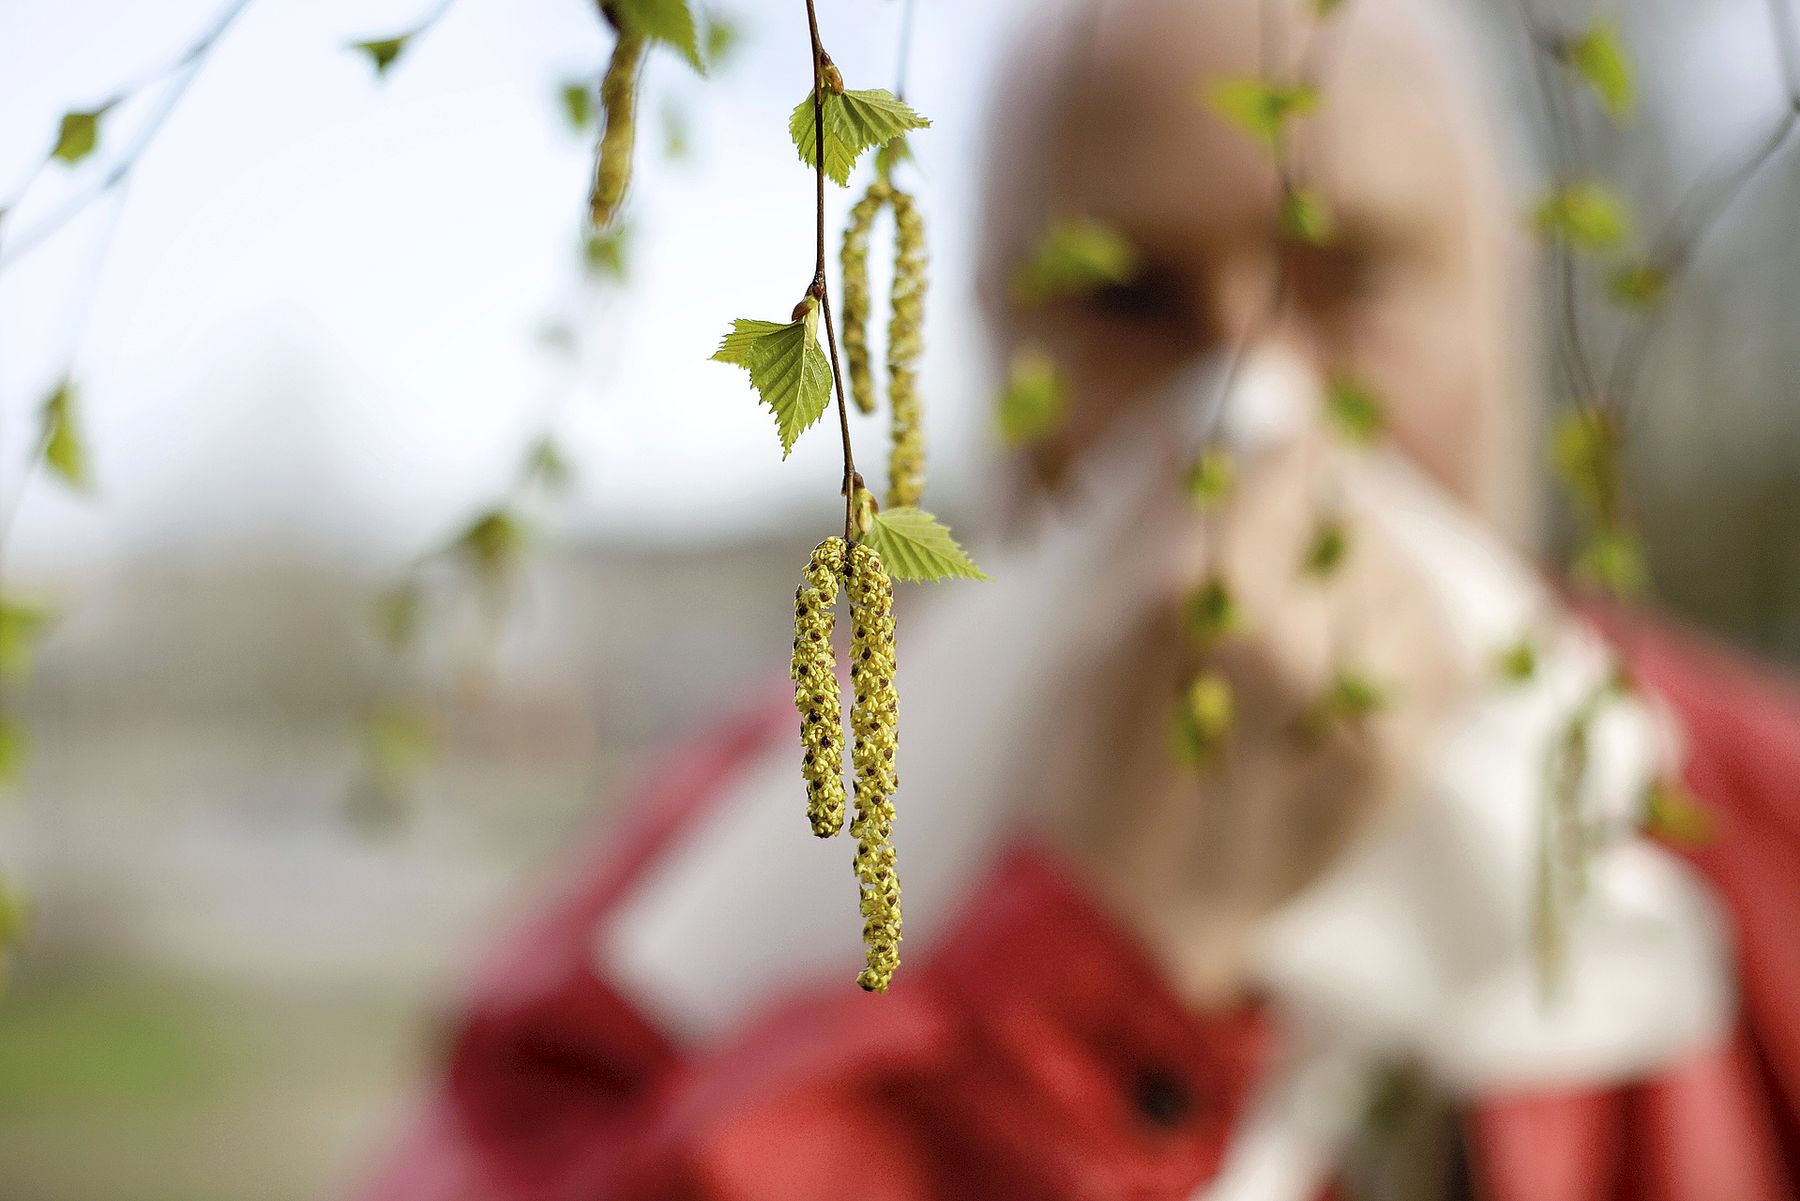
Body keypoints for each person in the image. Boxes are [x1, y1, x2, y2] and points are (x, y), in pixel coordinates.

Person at [352, 0, 1800, 1197]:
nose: (1251, 411)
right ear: (988, 331)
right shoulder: (756, 841)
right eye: (1129, 302)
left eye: (1341, 271)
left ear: (1502, 294)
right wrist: (1085, 983)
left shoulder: (1761, 822)